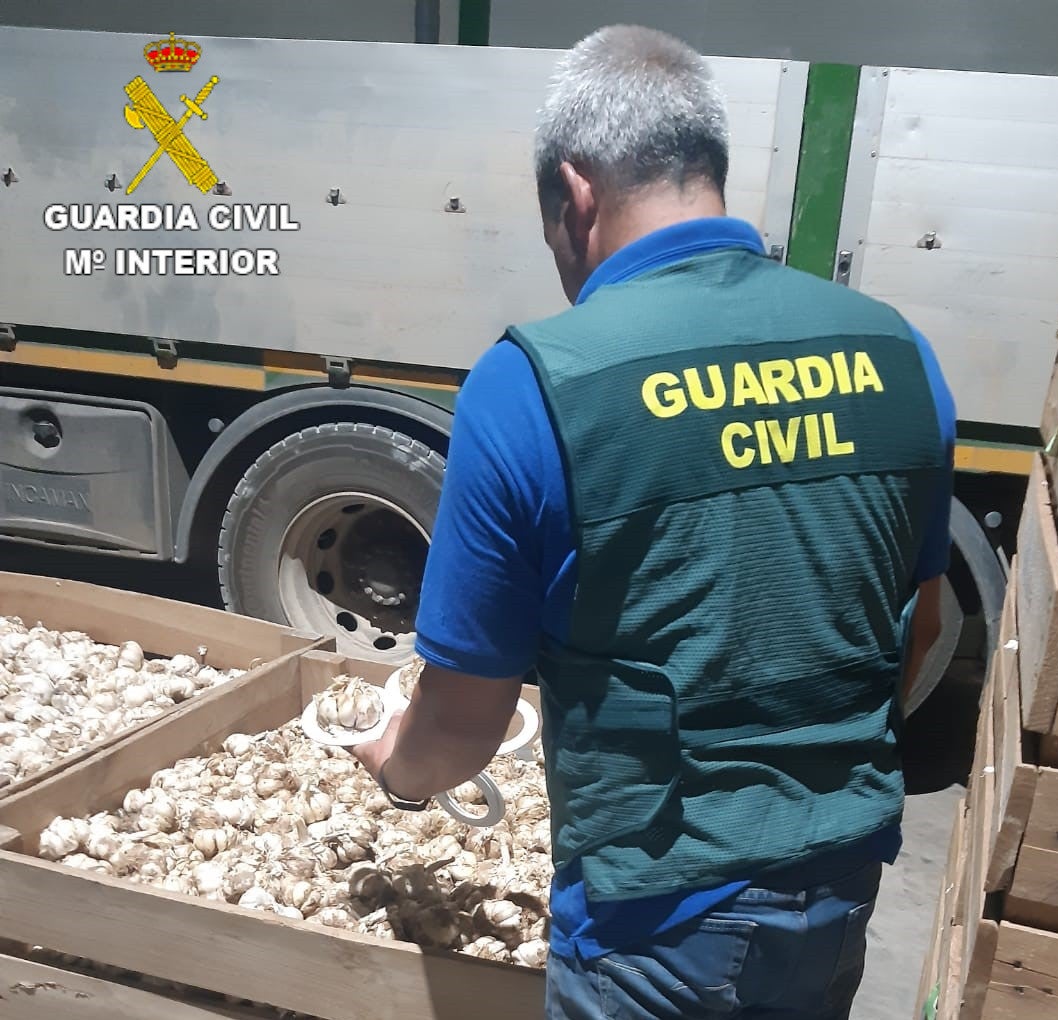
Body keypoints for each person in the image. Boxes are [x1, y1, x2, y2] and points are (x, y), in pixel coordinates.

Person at [352, 24, 955, 1020]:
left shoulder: (536, 384)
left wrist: (399, 769)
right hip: (843, 883)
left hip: (656, 925)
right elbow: (921, 630)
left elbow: (465, 722)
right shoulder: (896, 352)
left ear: (576, 195)